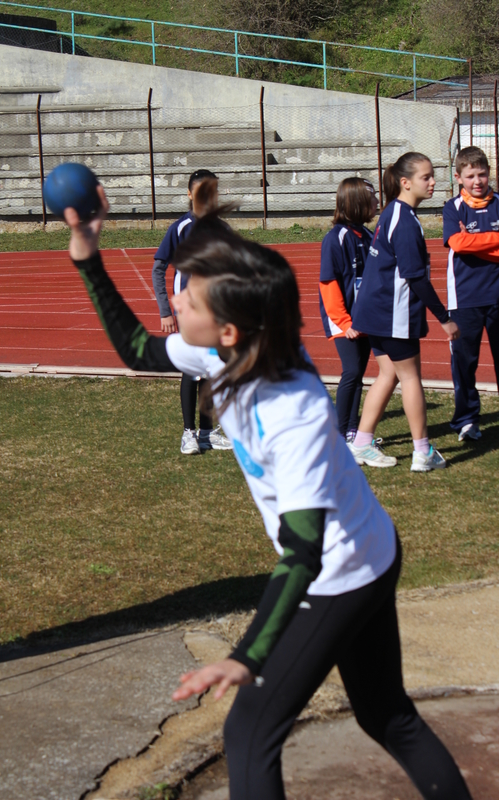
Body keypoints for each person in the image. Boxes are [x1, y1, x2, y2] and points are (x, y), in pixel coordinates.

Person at [64, 185, 472, 800]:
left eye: (189, 295)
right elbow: (135, 348)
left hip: (342, 570)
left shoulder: (294, 409)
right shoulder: (228, 351)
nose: (175, 297)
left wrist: (248, 656)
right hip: (370, 548)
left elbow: (303, 551)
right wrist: (87, 251)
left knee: (250, 730)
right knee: (387, 715)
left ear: (227, 328)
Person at [349, 152, 460, 471]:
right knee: (410, 377)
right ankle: (422, 452)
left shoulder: (391, 213)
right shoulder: (405, 221)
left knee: (387, 375)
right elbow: (415, 277)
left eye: (432, 175)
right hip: (391, 312)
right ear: (405, 182)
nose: (433, 182)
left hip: (376, 311)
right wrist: (444, 318)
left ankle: (361, 443)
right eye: (426, 177)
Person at [151, 168, 232, 455]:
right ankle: (188, 433)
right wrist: (166, 311)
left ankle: (207, 432)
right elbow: (159, 268)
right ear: (189, 194)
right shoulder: (181, 228)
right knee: (191, 370)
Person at [443, 146, 499, 441]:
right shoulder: (453, 207)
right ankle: (466, 419)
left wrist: (472, 239)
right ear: (459, 177)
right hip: (464, 298)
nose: (477, 181)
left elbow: (466, 242)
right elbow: (456, 243)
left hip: (497, 296)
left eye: (482, 174)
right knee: (464, 362)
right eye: (470, 176)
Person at [319, 178, 378, 441]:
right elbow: (329, 283)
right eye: (372, 198)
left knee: (358, 374)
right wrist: (344, 322)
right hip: (344, 321)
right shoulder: (336, 238)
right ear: (356, 202)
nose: (377, 202)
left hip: (362, 319)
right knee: (351, 371)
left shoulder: (366, 235)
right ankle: (339, 433)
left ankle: (353, 430)